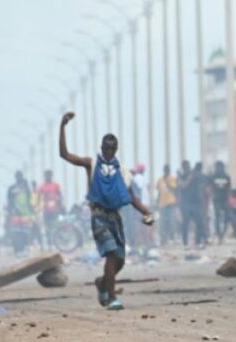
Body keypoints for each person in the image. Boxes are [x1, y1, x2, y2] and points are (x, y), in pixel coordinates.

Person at [59, 111, 154, 311]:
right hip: (99, 216)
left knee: (119, 261)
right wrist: (62, 127)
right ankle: (111, 298)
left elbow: (132, 197)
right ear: (102, 148)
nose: (110, 151)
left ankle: (102, 284)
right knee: (111, 254)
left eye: (113, 148)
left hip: (115, 217)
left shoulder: (122, 171)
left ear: (116, 149)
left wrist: (146, 212)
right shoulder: (91, 164)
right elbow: (65, 155)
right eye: (107, 148)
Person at [178, 160, 207, 248]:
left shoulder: (195, 174)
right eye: (184, 166)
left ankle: (198, 242)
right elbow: (182, 186)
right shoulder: (182, 176)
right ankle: (185, 243)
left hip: (196, 202)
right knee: (185, 223)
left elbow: (203, 183)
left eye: (187, 166)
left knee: (199, 223)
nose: (186, 168)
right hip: (186, 203)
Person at [6, 171, 34, 255]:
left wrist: (31, 209)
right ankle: (18, 249)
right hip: (15, 213)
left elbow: (29, 200)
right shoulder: (12, 188)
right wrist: (11, 210)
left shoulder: (26, 188)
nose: (19, 177)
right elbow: (9, 200)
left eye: (20, 176)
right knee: (16, 232)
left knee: (25, 232)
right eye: (18, 176)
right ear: (16, 177)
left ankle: (23, 248)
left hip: (25, 213)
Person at [38, 170, 63, 248]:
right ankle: (49, 244)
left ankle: (56, 242)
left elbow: (60, 196)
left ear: (51, 176)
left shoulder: (56, 185)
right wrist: (38, 206)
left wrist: (60, 204)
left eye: (49, 175)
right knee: (47, 227)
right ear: (44, 176)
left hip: (55, 210)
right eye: (46, 175)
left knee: (55, 226)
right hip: (46, 210)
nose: (48, 177)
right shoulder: (42, 186)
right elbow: (38, 197)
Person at [210, 160, 233, 244]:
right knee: (217, 217)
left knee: (227, 217)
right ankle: (219, 236)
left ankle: (222, 234)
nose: (218, 169)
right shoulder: (213, 177)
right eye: (217, 167)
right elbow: (210, 187)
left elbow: (229, 189)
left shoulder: (227, 177)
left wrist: (229, 199)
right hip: (216, 200)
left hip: (225, 199)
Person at [156, 164, 178, 246]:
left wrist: (167, 182)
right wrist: (156, 202)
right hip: (162, 204)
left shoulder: (172, 179)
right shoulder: (159, 180)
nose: (166, 171)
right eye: (165, 170)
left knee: (171, 222)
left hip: (171, 203)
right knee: (162, 223)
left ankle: (172, 238)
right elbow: (159, 192)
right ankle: (163, 239)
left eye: (167, 170)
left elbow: (174, 189)